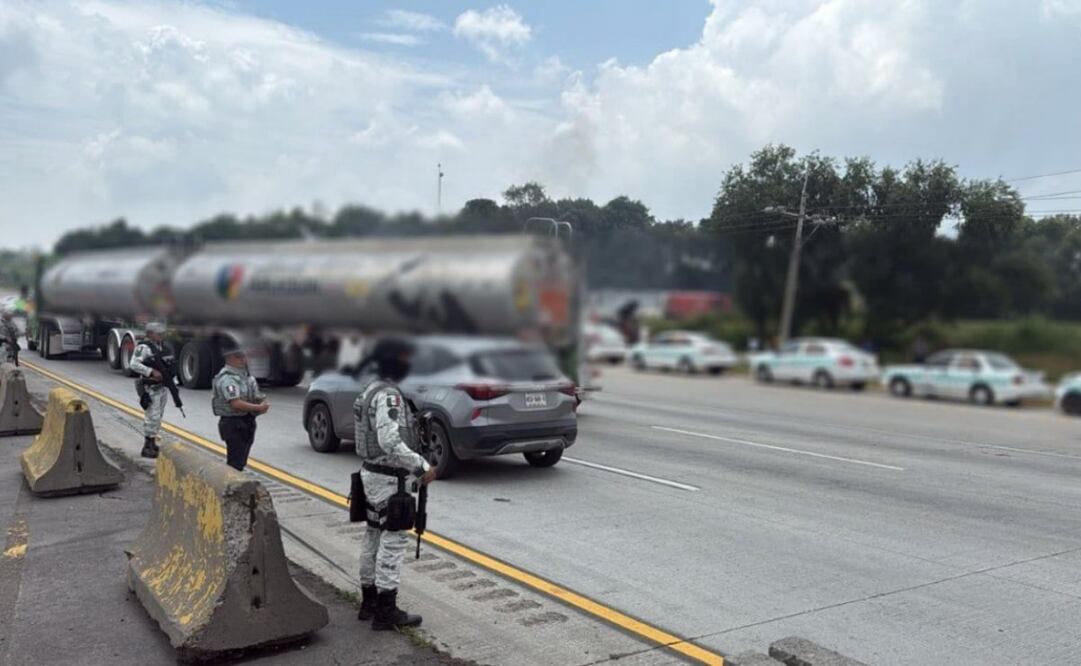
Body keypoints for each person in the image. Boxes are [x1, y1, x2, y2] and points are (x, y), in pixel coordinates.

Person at [352, 337, 437, 630]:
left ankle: (369, 603)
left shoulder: (369, 390)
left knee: (373, 536)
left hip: (370, 474)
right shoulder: (389, 395)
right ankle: (386, 612)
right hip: (390, 479)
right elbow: (389, 440)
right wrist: (420, 465)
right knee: (393, 541)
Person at [211, 342, 268, 471]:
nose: (243, 359)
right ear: (228, 358)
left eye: (244, 356)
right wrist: (258, 408)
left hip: (247, 422)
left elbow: (256, 396)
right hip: (233, 424)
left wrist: (260, 403)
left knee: (241, 461)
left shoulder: (246, 377)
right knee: (235, 463)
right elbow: (235, 404)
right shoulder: (227, 379)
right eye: (239, 356)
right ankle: (232, 482)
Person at [128, 322, 176, 459]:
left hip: (162, 387)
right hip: (151, 388)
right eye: (158, 333)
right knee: (152, 416)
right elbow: (134, 364)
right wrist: (150, 371)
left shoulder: (162, 347)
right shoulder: (143, 347)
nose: (161, 335)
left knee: (158, 416)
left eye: (162, 333)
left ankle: (152, 443)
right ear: (149, 334)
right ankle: (147, 446)